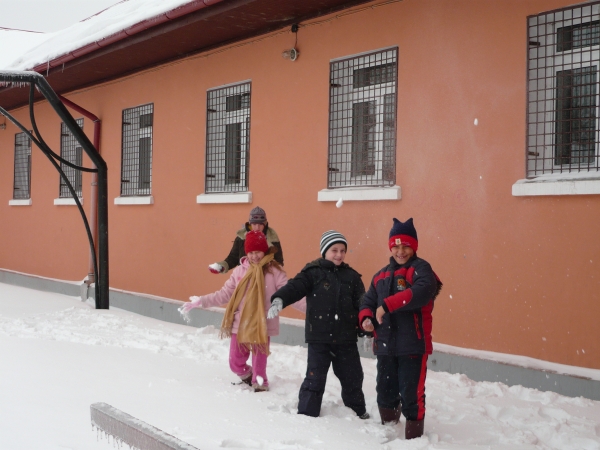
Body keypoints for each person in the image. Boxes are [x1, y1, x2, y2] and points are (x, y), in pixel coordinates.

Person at [267, 230, 369, 419]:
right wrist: (280, 298)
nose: (339, 254)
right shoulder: (313, 272)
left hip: (346, 339)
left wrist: (366, 327)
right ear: (324, 251)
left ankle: (357, 413)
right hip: (319, 337)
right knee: (315, 378)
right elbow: (295, 287)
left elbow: (362, 303)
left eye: (342, 250)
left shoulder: (352, 277)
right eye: (334, 250)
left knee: (353, 377)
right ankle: (307, 413)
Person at [359, 218, 442, 440]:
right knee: (385, 389)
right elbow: (368, 301)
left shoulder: (421, 269)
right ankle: (388, 427)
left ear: (414, 247)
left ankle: (414, 438)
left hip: (412, 345)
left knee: (411, 392)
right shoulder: (381, 276)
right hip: (385, 345)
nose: (400, 251)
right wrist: (366, 317)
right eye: (396, 246)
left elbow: (422, 291)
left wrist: (388, 305)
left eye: (406, 246)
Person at [181, 230, 288, 392]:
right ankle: (247, 375)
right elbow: (224, 294)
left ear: (264, 251)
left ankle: (260, 384)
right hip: (241, 322)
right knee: (235, 362)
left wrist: (310, 307)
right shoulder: (240, 271)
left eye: (258, 252)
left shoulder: (274, 272)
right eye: (250, 252)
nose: (254, 256)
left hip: (262, 323)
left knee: (259, 361)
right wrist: (201, 301)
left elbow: (290, 293)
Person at [209, 206, 284, 274]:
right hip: (244, 275)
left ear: (265, 224)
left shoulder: (272, 237)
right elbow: (233, 257)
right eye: (254, 224)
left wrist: (272, 274)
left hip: (266, 276)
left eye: (260, 224)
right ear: (250, 224)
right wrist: (222, 266)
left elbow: (278, 261)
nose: (257, 227)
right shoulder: (241, 237)